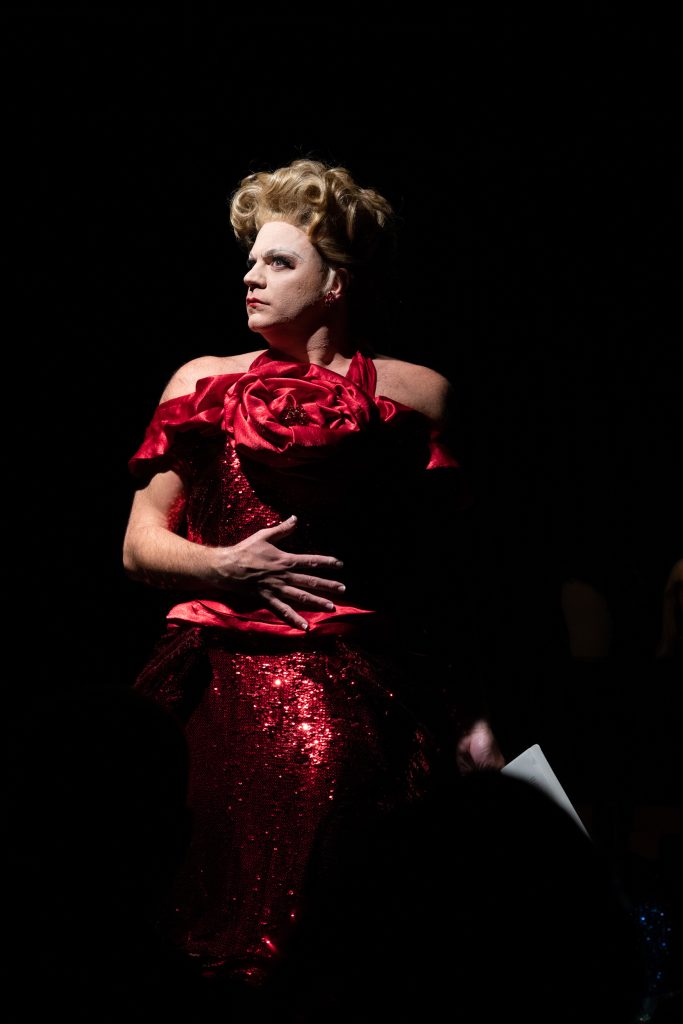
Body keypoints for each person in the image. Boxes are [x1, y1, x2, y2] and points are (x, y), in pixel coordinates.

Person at [122, 156, 505, 989]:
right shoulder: (201, 381)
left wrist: (474, 714)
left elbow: (445, 575)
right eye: (251, 258)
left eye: (278, 261)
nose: (250, 275)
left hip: (364, 687)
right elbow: (139, 541)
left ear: (337, 283)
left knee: (342, 930)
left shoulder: (416, 393)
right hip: (211, 684)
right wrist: (224, 566)